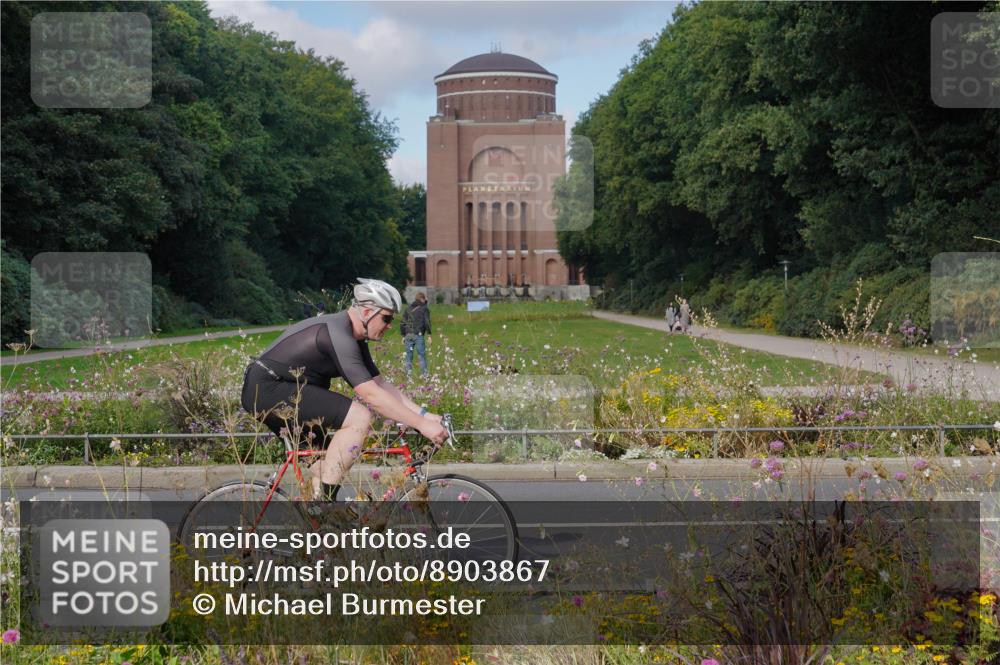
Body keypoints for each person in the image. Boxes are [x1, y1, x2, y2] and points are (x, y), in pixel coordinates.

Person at [240, 278, 447, 503]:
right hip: (269, 388)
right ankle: (323, 505)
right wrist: (421, 425)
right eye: (386, 318)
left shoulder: (355, 338)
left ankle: (320, 525)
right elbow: (370, 395)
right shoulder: (339, 334)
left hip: (282, 389)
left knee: (325, 467)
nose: (390, 325)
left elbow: (381, 385)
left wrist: (425, 416)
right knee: (360, 416)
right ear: (367, 311)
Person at [401, 291, 432, 378]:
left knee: (408, 355)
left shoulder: (408, 308)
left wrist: (403, 335)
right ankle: (425, 376)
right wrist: (429, 334)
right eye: (425, 299)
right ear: (422, 299)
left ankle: (408, 376)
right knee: (421, 355)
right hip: (418, 335)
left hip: (408, 335)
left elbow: (403, 323)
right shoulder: (424, 309)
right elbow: (427, 322)